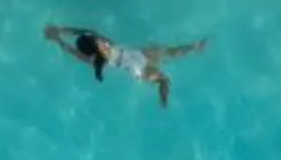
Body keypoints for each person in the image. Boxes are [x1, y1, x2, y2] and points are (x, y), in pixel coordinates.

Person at [42, 24, 207, 108]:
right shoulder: (95, 61)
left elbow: (87, 31)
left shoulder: (101, 41)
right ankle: (164, 101)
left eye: (101, 41)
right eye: (100, 44)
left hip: (138, 54)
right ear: (94, 52)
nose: (104, 42)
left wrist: (62, 29)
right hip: (135, 69)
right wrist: (57, 39)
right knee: (164, 80)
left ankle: (195, 47)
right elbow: (72, 51)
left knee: (170, 52)